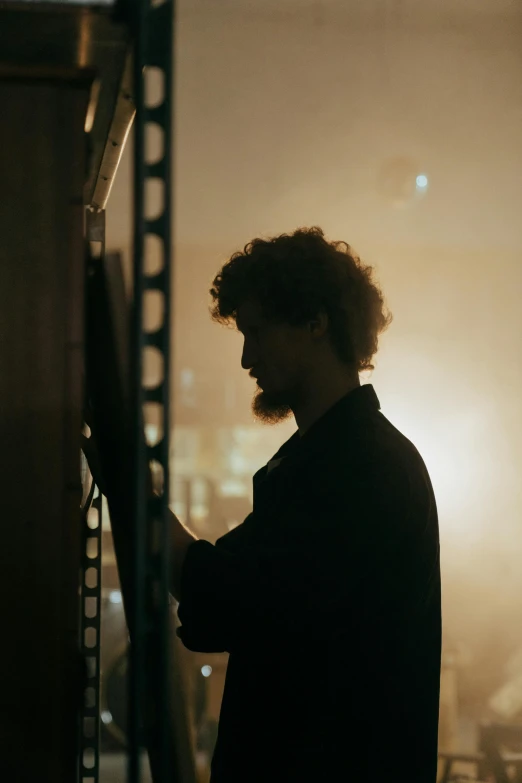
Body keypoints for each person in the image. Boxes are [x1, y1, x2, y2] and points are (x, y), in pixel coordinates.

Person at [168, 227, 441, 783]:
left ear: (316, 322)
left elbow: (222, 602)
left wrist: (142, 507)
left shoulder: (356, 468)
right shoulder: (331, 462)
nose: (246, 358)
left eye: (258, 332)